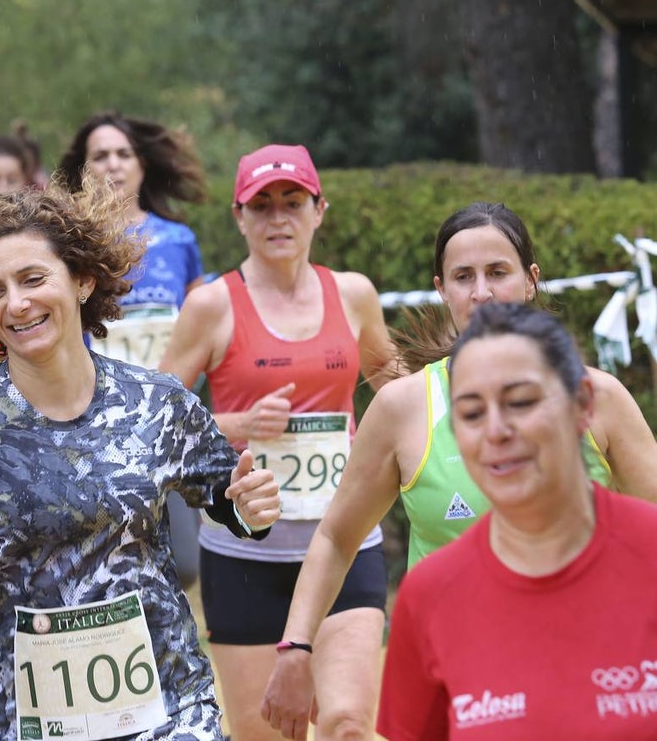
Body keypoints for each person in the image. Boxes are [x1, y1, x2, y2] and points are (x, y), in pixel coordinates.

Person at [0, 185, 282, 741]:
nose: (16, 303)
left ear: (83, 279)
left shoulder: (157, 404)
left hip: (169, 710)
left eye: (33, 279)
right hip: (25, 720)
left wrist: (254, 509)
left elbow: (231, 504)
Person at [261, 201, 657, 741]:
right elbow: (336, 536)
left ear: (531, 280)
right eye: (463, 277)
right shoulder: (405, 407)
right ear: (441, 289)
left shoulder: (600, 398)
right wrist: (296, 647)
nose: (482, 293)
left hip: (594, 654)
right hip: (467, 666)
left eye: (498, 273)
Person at [159, 143, 395, 741]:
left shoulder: (354, 296)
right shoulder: (211, 305)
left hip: (343, 542)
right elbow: (155, 422)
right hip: (246, 554)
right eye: (260, 206)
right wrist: (237, 425)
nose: (278, 218)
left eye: (293, 202)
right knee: (265, 734)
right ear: (239, 218)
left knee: (346, 724)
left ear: (320, 210)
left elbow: (399, 400)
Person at [377, 302, 657, 739]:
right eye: (471, 413)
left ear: (582, 405)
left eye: (521, 402)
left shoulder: (648, 554)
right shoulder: (429, 596)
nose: (496, 431)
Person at [60, 111, 210, 589]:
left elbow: (203, 324)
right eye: (100, 155)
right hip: (96, 416)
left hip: (170, 413)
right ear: (83, 170)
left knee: (185, 563)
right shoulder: (69, 243)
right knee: (110, 553)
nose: (114, 165)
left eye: (124, 153)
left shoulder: (179, 240)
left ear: (143, 165)